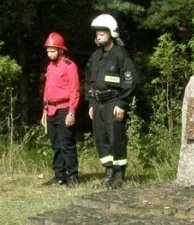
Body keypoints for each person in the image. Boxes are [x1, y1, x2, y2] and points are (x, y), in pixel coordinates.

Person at [84, 14, 139, 190]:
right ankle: (108, 174)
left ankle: (118, 176)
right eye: (97, 34)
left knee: (116, 139)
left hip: (114, 104)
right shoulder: (94, 56)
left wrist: (122, 104)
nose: (97, 37)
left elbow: (131, 81)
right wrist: (91, 103)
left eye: (101, 34)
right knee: (102, 140)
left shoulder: (120, 54)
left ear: (111, 33)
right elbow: (87, 82)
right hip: (98, 105)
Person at [41, 32, 82, 188]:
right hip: (51, 109)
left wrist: (71, 112)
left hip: (64, 108)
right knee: (56, 145)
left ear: (60, 50)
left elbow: (75, 91)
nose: (49, 53)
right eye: (47, 51)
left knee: (67, 144)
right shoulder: (50, 67)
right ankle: (59, 176)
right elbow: (47, 90)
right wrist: (44, 112)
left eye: (52, 50)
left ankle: (72, 176)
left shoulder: (69, 66)